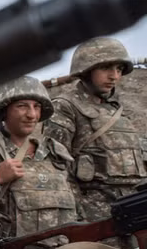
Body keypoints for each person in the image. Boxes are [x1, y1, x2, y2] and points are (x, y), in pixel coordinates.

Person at [0, 76, 78, 249]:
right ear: (4, 111)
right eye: (22, 106)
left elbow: (74, 206)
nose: (31, 114)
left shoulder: (55, 152)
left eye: (36, 107)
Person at [43, 38, 146, 227]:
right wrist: (77, 217)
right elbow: (56, 168)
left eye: (119, 69)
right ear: (86, 70)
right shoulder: (66, 107)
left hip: (134, 211)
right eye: (106, 68)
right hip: (95, 216)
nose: (114, 76)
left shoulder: (120, 111)